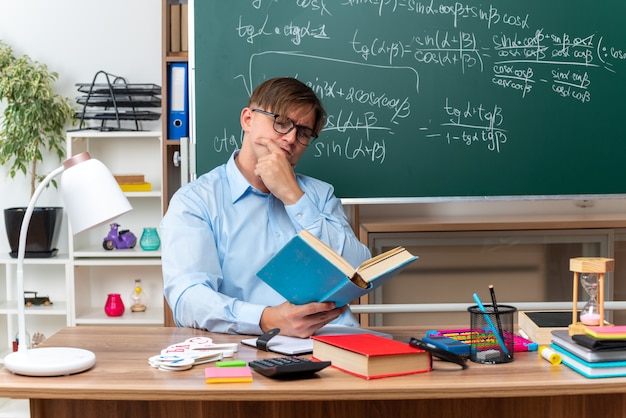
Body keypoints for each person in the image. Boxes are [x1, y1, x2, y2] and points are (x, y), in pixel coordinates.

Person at [160, 77, 371, 338]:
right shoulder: (195, 201)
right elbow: (187, 298)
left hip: (335, 342)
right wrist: (264, 319)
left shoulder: (320, 194)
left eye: (304, 132)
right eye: (281, 122)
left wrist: (294, 197)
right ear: (248, 120)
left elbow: (360, 271)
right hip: (249, 346)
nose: (291, 138)